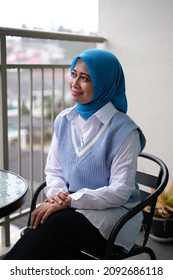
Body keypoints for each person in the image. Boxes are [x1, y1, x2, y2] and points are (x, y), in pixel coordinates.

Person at [4, 49, 146, 260]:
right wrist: (58, 196)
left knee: (51, 226)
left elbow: (121, 191)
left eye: (85, 78)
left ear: (105, 83)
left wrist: (69, 201)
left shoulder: (124, 131)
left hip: (114, 216)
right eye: (73, 74)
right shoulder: (64, 120)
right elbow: (54, 170)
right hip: (71, 209)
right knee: (54, 242)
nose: (74, 83)